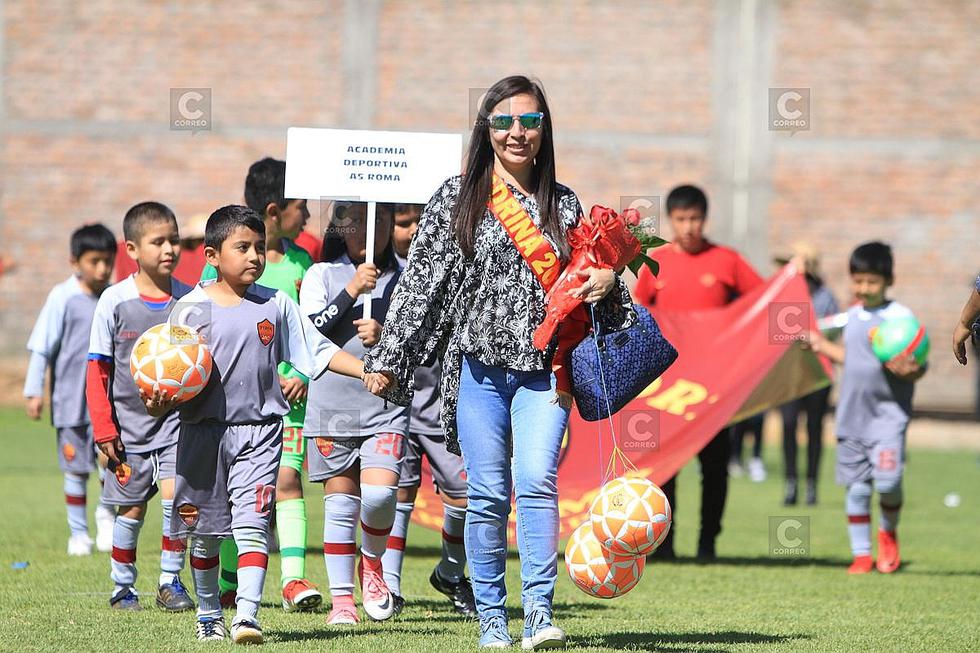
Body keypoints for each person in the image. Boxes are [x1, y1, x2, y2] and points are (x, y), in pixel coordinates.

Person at [363, 75, 635, 649]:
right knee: (486, 494)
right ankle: (491, 619)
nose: (518, 133)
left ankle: (538, 612)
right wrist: (393, 358)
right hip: (478, 373)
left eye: (530, 122)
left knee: (535, 482)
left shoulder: (564, 204)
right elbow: (422, 287)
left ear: (545, 130)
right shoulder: (454, 197)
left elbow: (588, 282)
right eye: (505, 121)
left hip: (545, 375)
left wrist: (611, 281)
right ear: (485, 129)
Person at [155, 205, 371, 643]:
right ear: (212, 255)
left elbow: (321, 351)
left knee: (253, 524)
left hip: (259, 433)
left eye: (259, 246)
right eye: (242, 247)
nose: (254, 255)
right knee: (207, 534)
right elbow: (166, 378)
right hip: (203, 436)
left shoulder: (276, 304)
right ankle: (210, 613)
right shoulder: (188, 310)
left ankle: (247, 617)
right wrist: (157, 401)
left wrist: (367, 371)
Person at [203, 157, 321, 614]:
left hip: (287, 401)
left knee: (288, 481)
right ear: (274, 211)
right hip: (234, 408)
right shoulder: (218, 277)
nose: (308, 216)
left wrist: (302, 373)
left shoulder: (303, 262)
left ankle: (293, 580)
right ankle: (230, 582)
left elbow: (309, 333)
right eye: (300, 207)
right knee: (236, 496)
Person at [634, 184, 763, 560]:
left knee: (715, 468)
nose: (689, 227)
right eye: (681, 219)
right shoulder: (655, 262)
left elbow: (763, 302)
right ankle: (665, 544)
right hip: (667, 387)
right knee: (664, 467)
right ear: (671, 221)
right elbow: (639, 316)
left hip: (714, 389)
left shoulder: (728, 261)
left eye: (695, 219)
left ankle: (708, 543)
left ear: (705, 219)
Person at [300, 201, 410, 626]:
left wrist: (387, 335)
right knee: (341, 506)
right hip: (333, 407)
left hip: (387, 404)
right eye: (359, 220)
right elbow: (310, 335)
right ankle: (342, 600)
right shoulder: (320, 275)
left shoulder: (407, 279)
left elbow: (423, 339)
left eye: (380, 219)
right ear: (342, 226)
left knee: (382, 496)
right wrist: (351, 292)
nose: (371, 228)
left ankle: (373, 560)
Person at [85, 202, 194, 611]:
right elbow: (96, 371)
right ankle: (122, 587)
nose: (169, 249)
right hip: (127, 432)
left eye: (174, 240)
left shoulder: (189, 301)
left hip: (176, 428)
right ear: (131, 249)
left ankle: (170, 581)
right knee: (130, 509)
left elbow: (198, 364)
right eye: (158, 241)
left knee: (176, 502)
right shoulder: (114, 301)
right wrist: (104, 430)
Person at [380, 203, 476, 619]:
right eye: (403, 223)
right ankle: (389, 584)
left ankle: (451, 573)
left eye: (421, 220)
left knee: (464, 494)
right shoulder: (376, 275)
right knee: (398, 493)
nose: (414, 229)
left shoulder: (451, 267)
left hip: (442, 409)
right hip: (394, 408)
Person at [808, 241, 926, 574]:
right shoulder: (851, 316)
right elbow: (852, 358)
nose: (864, 288)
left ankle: (888, 531)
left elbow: (920, 364)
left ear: (889, 280)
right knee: (857, 489)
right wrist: (818, 344)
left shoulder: (901, 319)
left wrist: (914, 369)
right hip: (852, 419)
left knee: (887, 483)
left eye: (872, 282)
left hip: (888, 420)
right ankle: (862, 555)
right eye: (858, 281)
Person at [24, 224, 117, 556]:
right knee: (76, 469)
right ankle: (79, 533)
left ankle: (107, 515)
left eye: (108, 261)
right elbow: (42, 348)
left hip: (107, 403)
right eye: (95, 261)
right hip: (70, 404)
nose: (103, 269)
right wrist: (34, 391)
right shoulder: (61, 297)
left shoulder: (114, 296)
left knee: (112, 462)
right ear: (75, 262)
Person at [777, 242, 839, 505]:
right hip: (790, 373)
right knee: (789, 425)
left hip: (817, 372)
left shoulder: (826, 296)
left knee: (814, 428)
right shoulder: (783, 294)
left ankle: (812, 485)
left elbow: (836, 329)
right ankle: (791, 483)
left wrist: (817, 335)